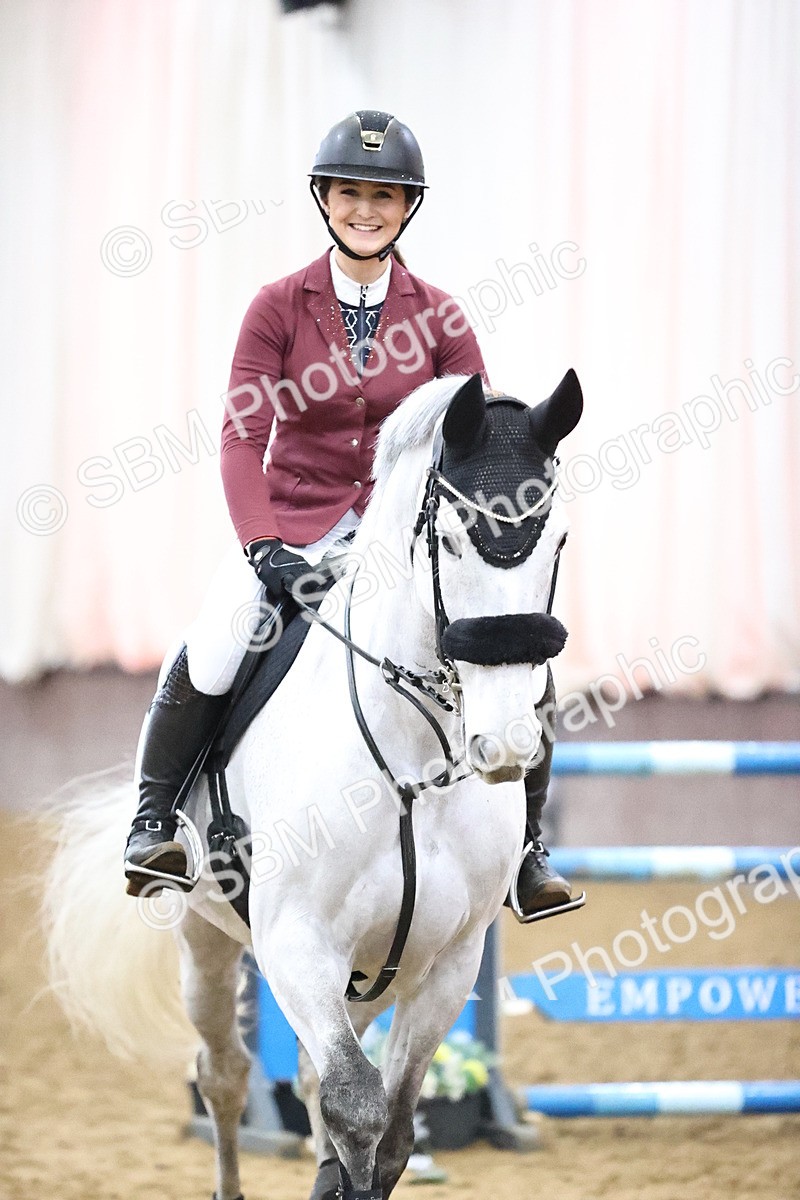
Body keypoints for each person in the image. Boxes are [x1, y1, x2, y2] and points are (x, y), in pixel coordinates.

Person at [123, 109, 571, 917]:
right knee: (221, 642)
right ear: (325, 199)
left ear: (409, 208)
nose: (367, 209)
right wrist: (264, 549)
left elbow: (483, 440)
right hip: (293, 530)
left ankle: (528, 851)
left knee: (513, 643)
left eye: (385, 196)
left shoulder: (440, 316)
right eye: (351, 192)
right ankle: (154, 821)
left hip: (404, 546)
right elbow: (239, 441)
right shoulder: (276, 308)